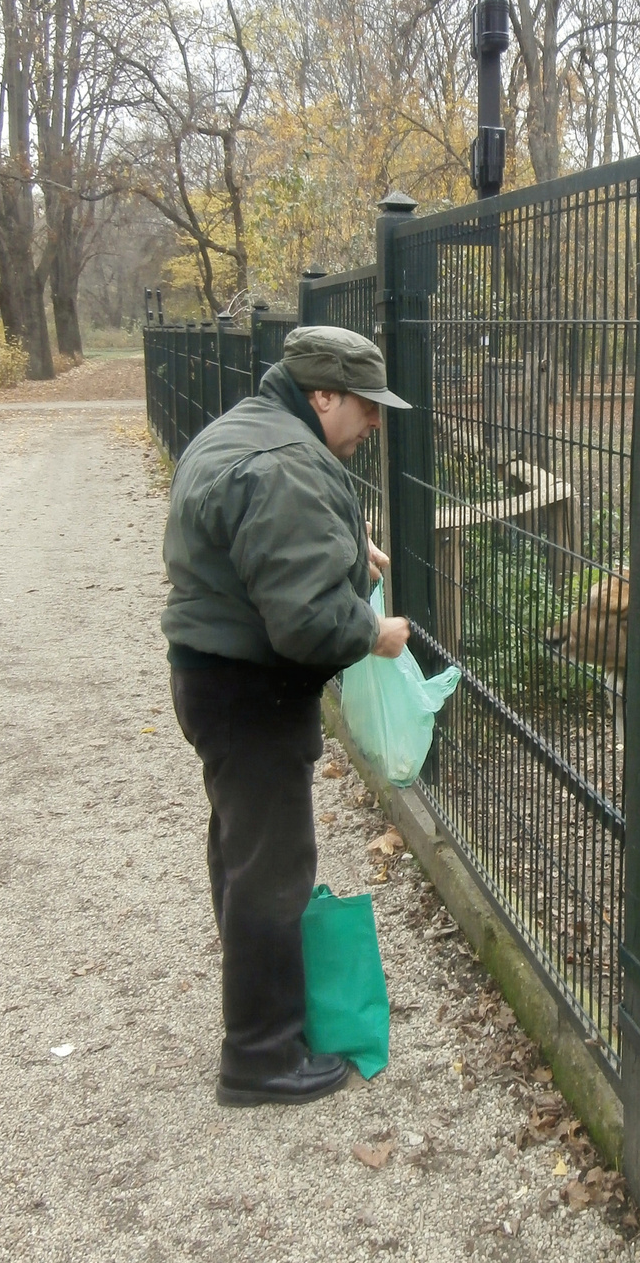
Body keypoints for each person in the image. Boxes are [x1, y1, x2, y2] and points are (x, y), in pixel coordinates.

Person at [162, 324, 412, 1106]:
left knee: (245, 852)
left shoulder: (249, 430)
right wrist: (375, 633)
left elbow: (266, 553)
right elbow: (304, 621)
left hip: (212, 676)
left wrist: (347, 554)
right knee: (273, 870)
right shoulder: (288, 466)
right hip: (251, 690)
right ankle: (261, 1057)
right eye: (365, 408)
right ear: (323, 395)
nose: (374, 424)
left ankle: (262, 1010)